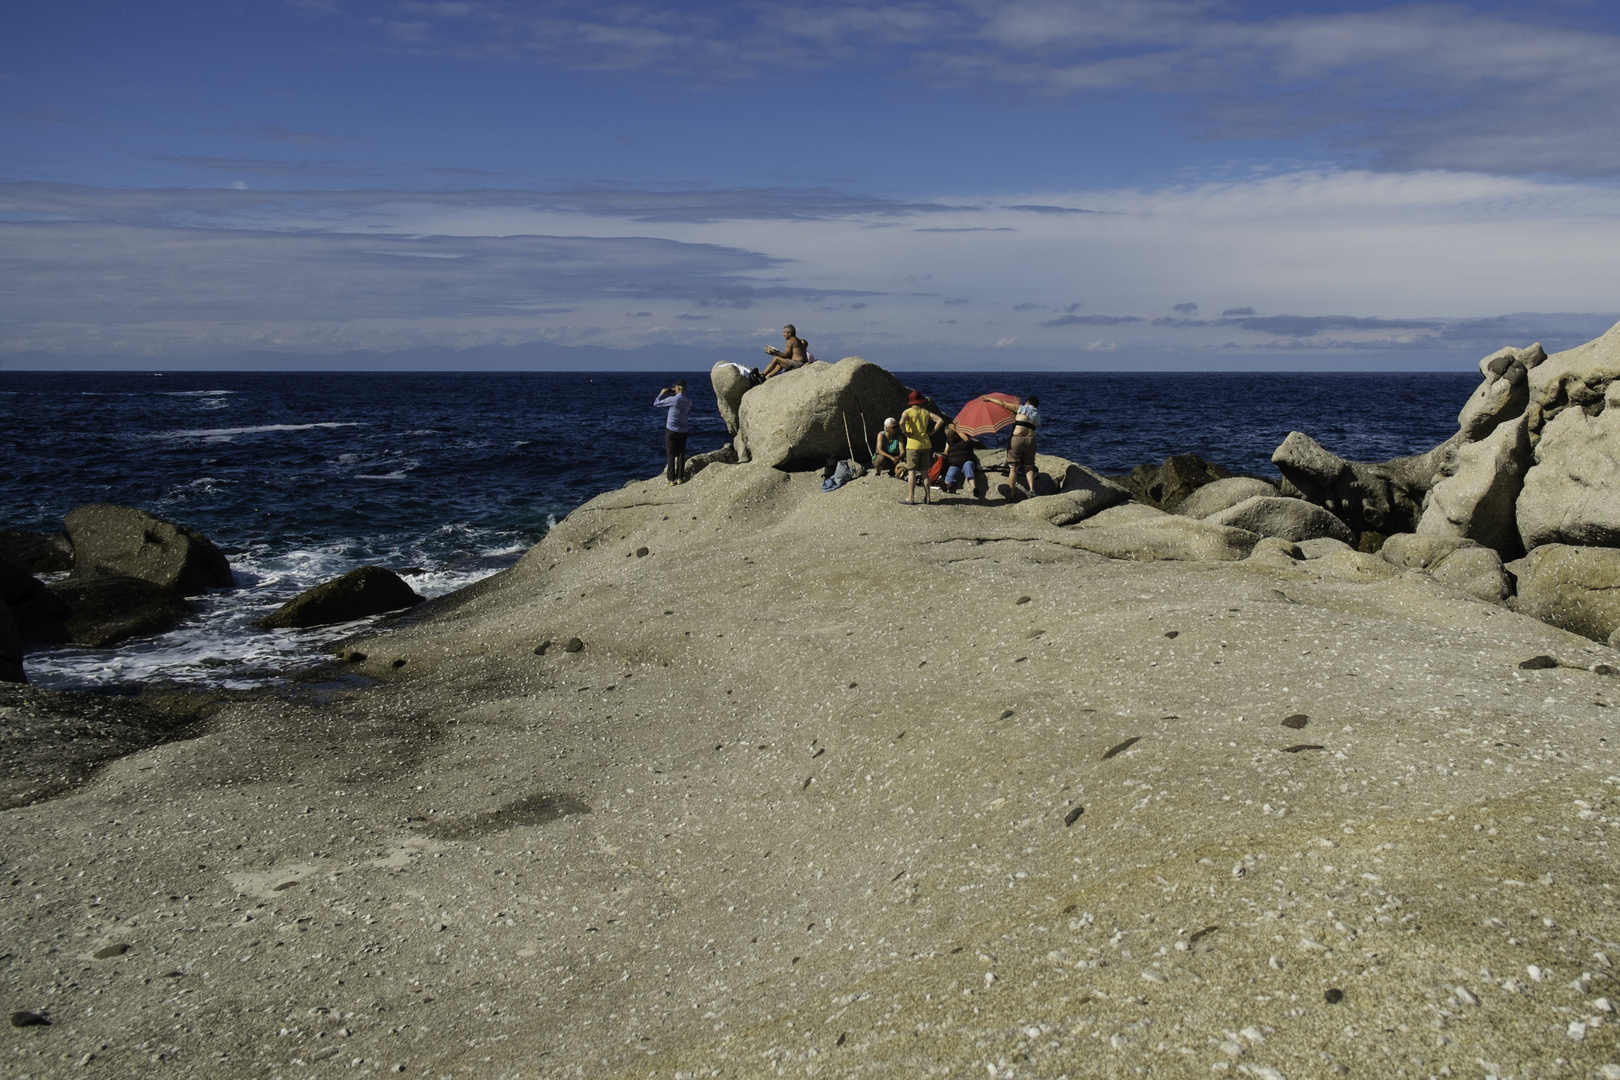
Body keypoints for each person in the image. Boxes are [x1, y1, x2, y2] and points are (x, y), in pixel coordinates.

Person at [984, 394, 1039, 500]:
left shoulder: (1022, 408)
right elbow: (1027, 418)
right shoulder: (1037, 414)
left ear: (1027, 402)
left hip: (1017, 439)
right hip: (1031, 440)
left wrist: (988, 398)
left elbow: (1003, 404)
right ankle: (1032, 490)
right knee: (1029, 466)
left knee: (1013, 468)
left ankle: (1012, 494)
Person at [899, 390, 945, 505]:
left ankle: (910, 498)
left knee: (912, 472)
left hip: (913, 445)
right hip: (926, 444)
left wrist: (905, 432)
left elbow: (900, 423)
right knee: (925, 472)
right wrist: (931, 432)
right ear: (920, 402)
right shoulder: (925, 412)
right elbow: (940, 420)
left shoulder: (907, 412)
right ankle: (927, 498)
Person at [654, 379, 692, 485]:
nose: (673, 389)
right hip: (683, 430)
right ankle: (680, 478)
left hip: (671, 430)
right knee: (681, 454)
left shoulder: (673, 400)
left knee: (670, 454)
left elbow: (656, 403)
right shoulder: (689, 401)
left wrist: (662, 394)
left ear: (678, 388)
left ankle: (671, 479)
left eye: (675, 387)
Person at [941, 422, 987, 498]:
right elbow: (946, 452)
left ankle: (974, 488)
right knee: (951, 472)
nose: (949, 437)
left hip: (967, 460)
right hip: (955, 462)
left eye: (950, 435)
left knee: (968, 468)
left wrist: (956, 429)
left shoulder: (964, 437)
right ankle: (946, 485)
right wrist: (939, 454)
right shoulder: (949, 441)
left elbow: (967, 440)